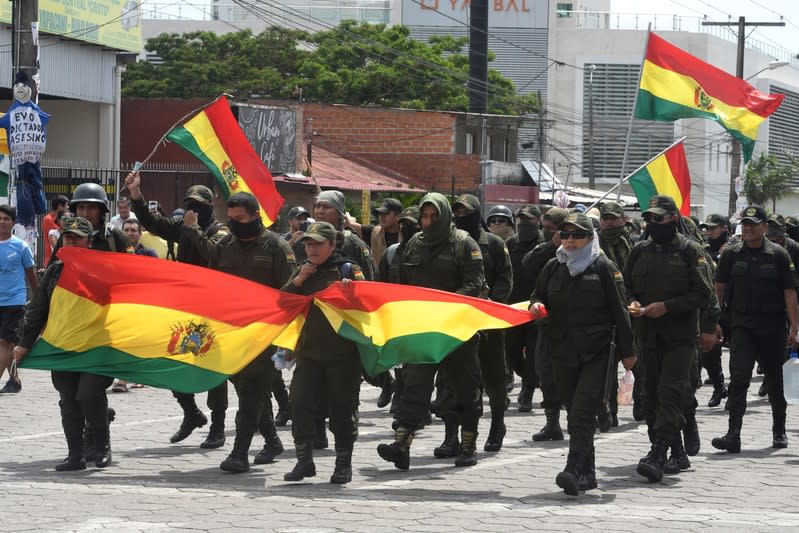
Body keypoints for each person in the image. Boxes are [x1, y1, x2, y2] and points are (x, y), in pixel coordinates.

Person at [377, 192, 484, 470]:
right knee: (414, 385)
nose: (428, 221)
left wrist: (444, 307)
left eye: (434, 216)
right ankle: (401, 445)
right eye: (424, 216)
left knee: (464, 388)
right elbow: (400, 283)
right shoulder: (413, 244)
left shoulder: (464, 244)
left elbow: (475, 284)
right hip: (424, 331)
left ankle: (468, 444)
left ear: (445, 215)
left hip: (456, 330)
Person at [530, 213, 635, 495]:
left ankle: (573, 468)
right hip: (561, 352)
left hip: (596, 353)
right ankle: (587, 475)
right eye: (565, 235)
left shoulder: (603, 267)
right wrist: (537, 306)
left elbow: (620, 311)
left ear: (590, 237)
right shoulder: (554, 266)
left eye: (577, 235)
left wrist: (629, 353)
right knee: (574, 411)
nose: (570, 241)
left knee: (582, 413)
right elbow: (537, 295)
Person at [124, 171, 230, 448]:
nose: (192, 210)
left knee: (212, 368)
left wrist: (193, 229)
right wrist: (136, 195)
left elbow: (213, 256)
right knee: (171, 358)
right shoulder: (182, 226)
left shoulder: (221, 233)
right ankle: (191, 412)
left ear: (208, 209)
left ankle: (217, 426)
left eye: (198, 206)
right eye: (189, 205)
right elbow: (152, 222)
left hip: (212, 310)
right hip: (184, 307)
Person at [13, 217, 114, 470]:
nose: (72, 241)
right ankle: (75, 455)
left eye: (78, 237)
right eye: (68, 237)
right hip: (63, 347)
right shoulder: (55, 270)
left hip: (96, 348)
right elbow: (38, 310)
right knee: (69, 402)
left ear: (90, 241)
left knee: (89, 395)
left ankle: (101, 446)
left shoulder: (104, 270)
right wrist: (24, 343)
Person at [625, 195, 713, 482]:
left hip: (679, 337)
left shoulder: (690, 250)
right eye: (649, 218)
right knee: (649, 395)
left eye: (659, 218)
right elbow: (626, 289)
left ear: (673, 218)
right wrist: (634, 303)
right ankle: (676, 451)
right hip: (647, 336)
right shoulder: (639, 251)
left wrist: (667, 307)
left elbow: (703, 294)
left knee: (670, 392)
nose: (653, 223)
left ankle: (658, 451)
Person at [208, 192, 296, 473]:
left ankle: (239, 452)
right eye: (230, 219)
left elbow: (290, 293)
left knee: (250, 390)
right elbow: (210, 286)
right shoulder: (223, 246)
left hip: (265, 334)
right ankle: (272, 441)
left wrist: (287, 340)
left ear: (256, 215)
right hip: (232, 332)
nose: (235, 224)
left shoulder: (276, 247)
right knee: (248, 389)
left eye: (240, 218)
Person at [281, 221, 365, 484]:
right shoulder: (303, 270)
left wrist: (352, 293)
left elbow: (369, 306)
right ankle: (304, 461)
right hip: (309, 353)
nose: (312, 249)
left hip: (343, 355)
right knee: (300, 405)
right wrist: (300, 279)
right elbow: (282, 303)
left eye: (318, 244)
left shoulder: (348, 269)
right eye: (308, 244)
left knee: (342, 410)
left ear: (332, 244)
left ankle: (343, 464)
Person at [712, 206, 798, 454]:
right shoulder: (732, 254)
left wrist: (795, 328)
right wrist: (715, 320)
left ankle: (779, 430)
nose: (748, 228)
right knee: (739, 378)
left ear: (764, 226)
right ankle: (733, 434)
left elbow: (790, 293)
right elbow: (719, 287)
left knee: (775, 380)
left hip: (772, 327)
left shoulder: (779, 255)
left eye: (753, 224)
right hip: (742, 327)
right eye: (745, 224)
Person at [452, 194, 513, 453]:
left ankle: (497, 423)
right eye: (458, 213)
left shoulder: (495, 244)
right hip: (459, 321)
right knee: (460, 381)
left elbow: (505, 279)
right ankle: (458, 434)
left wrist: (490, 304)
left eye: (467, 212)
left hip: (488, 321)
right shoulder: (452, 243)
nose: (462, 218)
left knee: (494, 377)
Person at [521, 207, 569, 442]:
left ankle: (584, 420)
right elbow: (531, 274)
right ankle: (552, 423)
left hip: (580, 331)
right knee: (546, 373)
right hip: (548, 326)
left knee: (574, 377)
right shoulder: (549, 258)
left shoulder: (596, 261)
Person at [597, 201, 636, 428]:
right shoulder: (593, 243)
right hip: (606, 308)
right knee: (608, 363)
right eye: (606, 218)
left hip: (632, 306)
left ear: (623, 219)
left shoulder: (633, 243)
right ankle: (608, 409)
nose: (609, 222)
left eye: (614, 218)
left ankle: (640, 399)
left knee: (634, 358)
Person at [504, 204, 544, 411]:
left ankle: (527, 390)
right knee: (511, 351)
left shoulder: (544, 244)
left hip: (537, 307)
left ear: (538, 221)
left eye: (528, 219)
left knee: (534, 351)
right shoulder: (510, 243)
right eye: (520, 219)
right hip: (514, 307)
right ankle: (529, 377)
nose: (524, 223)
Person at [0, 205, 38, 394]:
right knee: (8, 344)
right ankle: (14, 380)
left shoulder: (21, 246)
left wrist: (40, 299)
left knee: (4, 342)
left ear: (13, 223)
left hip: (14, 301)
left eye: (6, 219)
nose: (2, 222)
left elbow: (31, 275)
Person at [49, 182, 133, 262]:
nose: (85, 214)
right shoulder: (67, 236)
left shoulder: (115, 237)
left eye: (92, 208)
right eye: (81, 207)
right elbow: (54, 269)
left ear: (101, 211)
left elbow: (132, 268)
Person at [346, 197, 402, 271]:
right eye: (380, 214)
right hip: (380, 280)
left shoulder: (408, 233)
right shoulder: (375, 233)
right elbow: (350, 224)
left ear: (397, 216)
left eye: (386, 213)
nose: (382, 217)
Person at [41, 195, 69, 266]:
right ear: (60, 206)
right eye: (66, 206)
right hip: (52, 260)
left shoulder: (62, 219)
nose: (68, 208)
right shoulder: (48, 219)